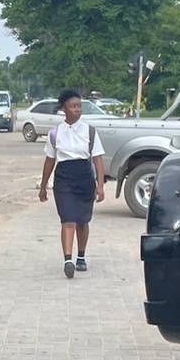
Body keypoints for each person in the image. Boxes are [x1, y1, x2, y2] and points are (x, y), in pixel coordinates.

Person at [38, 87, 106, 277]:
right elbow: (49, 161)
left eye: (79, 106)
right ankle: (68, 259)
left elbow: (98, 159)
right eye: (73, 106)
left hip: (84, 177)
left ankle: (81, 256)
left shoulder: (90, 131)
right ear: (64, 109)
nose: (77, 109)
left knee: (82, 221)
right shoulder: (54, 134)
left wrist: (99, 185)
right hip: (64, 179)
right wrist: (44, 186)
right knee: (68, 220)